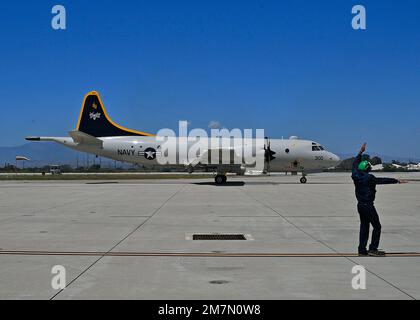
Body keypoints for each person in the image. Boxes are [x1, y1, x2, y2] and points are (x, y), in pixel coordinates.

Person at [352, 143, 407, 257]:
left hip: (360, 206)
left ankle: (362, 250)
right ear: (368, 169)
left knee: (364, 226)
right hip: (368, 205)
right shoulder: (369, 178)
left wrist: (360, 152)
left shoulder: (355, 175)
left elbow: (354, 164)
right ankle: (373, 249)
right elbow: (381, 180)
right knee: (377, 226)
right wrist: (396, 180)